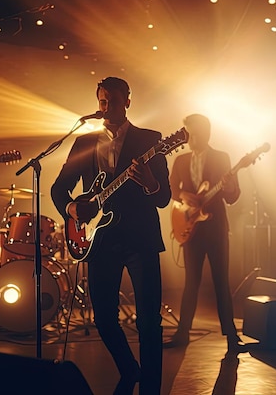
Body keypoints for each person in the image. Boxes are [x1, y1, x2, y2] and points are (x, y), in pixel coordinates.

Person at [51, 77, 171, 395]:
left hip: (140, 239)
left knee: (149, 322)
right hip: (100, 241)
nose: (105, 108)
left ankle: (152, 388)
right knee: (103, 318)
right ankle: (129, 368)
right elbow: (58, 187)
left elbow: (163, 197)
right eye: (102, 101)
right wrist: (72, 209)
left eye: (112, 101)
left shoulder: (152, 140)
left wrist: (150, 182)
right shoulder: (85, 142)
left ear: (127, 102)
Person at [164, 113, 247, 354]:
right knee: (191, 282)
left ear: (206, 133)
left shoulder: (222, 158)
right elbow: (171, 189)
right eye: (187, 131)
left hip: (216, 228)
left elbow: (232, 196)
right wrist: (183, 197)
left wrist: (230, 187)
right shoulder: (180, 160)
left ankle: (231, 337)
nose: (189, 136)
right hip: (190, 226)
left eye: (193, 132)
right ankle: (182, 334)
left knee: (221, 281)